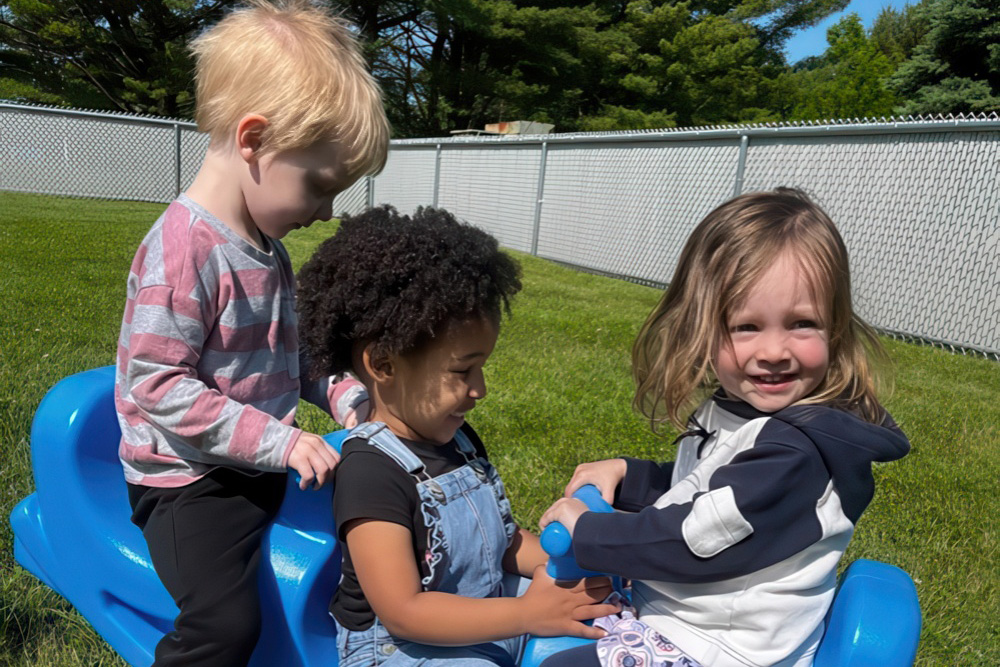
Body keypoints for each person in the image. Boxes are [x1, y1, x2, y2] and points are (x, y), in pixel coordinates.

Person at [114, 2, 390, 664]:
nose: (326, 211)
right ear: (253, 140)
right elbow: (156, 385)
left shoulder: (268, 248)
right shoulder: (182, 252)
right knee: (225, 622)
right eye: (320, 186)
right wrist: (282, 440)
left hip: (260, 456)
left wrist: (349, 398)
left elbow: (291, 359)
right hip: (188, 481)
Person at [538, 187, 911, 667]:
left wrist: (590, 533)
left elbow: (693, 543)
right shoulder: (742, 410)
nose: (775, 350)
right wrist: (631, 476)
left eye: (802, 323)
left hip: (720, 648)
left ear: (835, 329)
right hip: (683, 613)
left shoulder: (796, 453)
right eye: (746, 326)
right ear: (703, 328)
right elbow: (703, 486)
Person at [295, 206, 619, 666]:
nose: (480, 389)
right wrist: (528, 612)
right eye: (462, 370)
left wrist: (558, 571)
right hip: (405, 648)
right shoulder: (370, 472)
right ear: (383, 364)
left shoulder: (460, 442)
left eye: (482, 367)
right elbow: (405, 612)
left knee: (596, 614)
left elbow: (501, 543)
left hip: (486, 612)